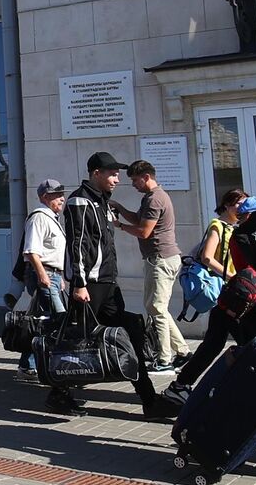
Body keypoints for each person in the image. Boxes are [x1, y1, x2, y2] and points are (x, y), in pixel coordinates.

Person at [166, 193, 256, 430]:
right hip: (247, 302)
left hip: (235, 300)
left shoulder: (247, 235)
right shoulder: (245, 237)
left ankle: (180, 386)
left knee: (218, 344)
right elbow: (212, 258)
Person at [60, 152, 170, 418]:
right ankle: (57, 394)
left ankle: (149, 400)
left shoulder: (102, 204)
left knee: (131, 328)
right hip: (90, 284)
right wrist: (79, 283)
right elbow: (78, 244)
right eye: (112, 174)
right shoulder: (79, 202)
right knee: (76, 341)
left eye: (118, 174)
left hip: (108, 282)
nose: (117, 179)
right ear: (96, 173)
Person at [116, 160, 189, 369]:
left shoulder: (156, 199)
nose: (133, 185)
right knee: (156, 307)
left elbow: (144, 231)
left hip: (161, 259)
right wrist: (120, 208)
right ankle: (183, 350)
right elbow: (139, 220)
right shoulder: (150, 198)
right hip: (157, 259)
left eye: (135, 180)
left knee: (156, 308)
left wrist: (119, 225)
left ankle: (165, 360)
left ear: (147, 177)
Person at [17, 179, 69, 388]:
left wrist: (60, 277)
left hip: (53, 275)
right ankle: (40, 366)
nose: (62, 198)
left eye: (61, 194)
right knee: (57, 320)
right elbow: (31, 251)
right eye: (57, 195)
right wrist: (43, 276)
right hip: (44, 274)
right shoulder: (39, 218)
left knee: (43, 322)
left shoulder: (52, 218)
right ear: (44, 197)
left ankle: (28, 366)